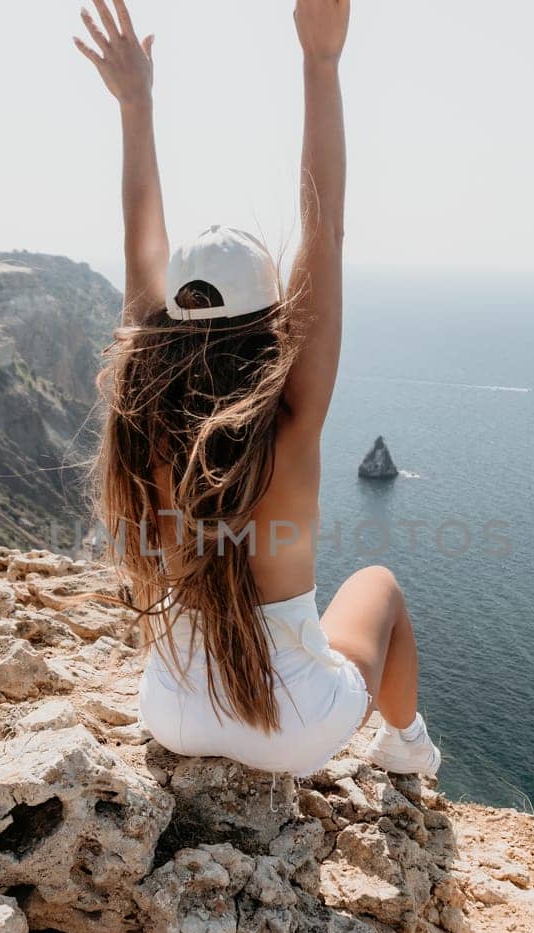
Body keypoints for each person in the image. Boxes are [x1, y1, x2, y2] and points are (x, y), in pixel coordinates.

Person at [77, 0, 439, 779]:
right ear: (272, 318)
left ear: (172, 319)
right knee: (379, 586)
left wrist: (135, 107)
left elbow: (140, 243)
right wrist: (321, 62)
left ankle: (405, 749)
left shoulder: (142, 412)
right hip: (291, 726)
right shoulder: (293, 417)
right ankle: (410, 752)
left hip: (170, 710)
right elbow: (325, 225)